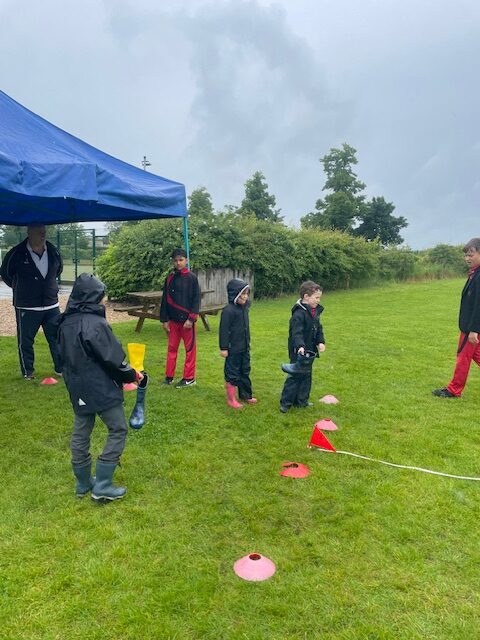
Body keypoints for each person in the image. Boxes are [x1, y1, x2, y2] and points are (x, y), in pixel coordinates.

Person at [57, 273, 143, 501]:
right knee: (118, 428)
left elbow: (60, 358)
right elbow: (113, 359)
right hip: (100, 387)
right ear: (92, 297)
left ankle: (83, 483)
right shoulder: (95, 324)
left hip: (77, 387)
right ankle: (102, 484)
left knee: (82, 429)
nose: (104, 299)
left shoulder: (64, 322)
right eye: (101, 295)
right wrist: (131, 374)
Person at [0, 224, 63, 379]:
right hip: (26, 306)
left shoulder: (53, 250)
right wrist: (21, 288)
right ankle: (28, 372)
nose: (42, 236)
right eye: (39, 233)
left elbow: (58, 269)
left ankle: (61, 369)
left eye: (44, 232)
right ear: (29, 233)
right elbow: (6, 274)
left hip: (51, 304)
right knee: (26, 341)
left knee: (57, 338)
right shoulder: (16, 253)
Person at [432, 238, 480, 399]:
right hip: (471, 326)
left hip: (471, 328)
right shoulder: (475, 273)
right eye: (466, 255)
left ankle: (454, 389)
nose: (467, 258)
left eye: (471, 255)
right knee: (475, 355)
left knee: (463, 358)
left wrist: (474, 330)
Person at [279, 281, 326, 413]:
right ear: (306, 297)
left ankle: (301, 401)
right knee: (294, 376)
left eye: (319, 297)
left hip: (310, 350)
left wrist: (320, 341)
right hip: (298, 351)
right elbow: (296, 332)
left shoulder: (314, 312)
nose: (318, 300)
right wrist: (300, 346)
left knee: (307, 375)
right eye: (316, 297)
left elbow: (318, 328)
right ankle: (286, 403)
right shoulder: (298, 314)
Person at [159, 248, 201, 388]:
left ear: (186, 260)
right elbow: (165, 299)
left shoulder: (192, 278)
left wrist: (191, 318)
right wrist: (164, 320)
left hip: (187, 322)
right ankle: (169, 376)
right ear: (173, 261)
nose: (178, 263)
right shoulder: (169, 278)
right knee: (172, 348)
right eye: (175, 260)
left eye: (181, 260)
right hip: (173, 321)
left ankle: (189, 378)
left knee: (189, 350)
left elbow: (196, 300)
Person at [219, 278, 257, 409]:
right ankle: (231, 399)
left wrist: (247, 342)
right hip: (232, 349)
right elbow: (223, 330)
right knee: (232, 373)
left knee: (244, 370)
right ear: (234, 294)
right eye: (242, 294)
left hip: (244, 347)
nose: (245, 297)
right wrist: (224, 348)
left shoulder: (244, 308)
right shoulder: (228, 311)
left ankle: (245, 395)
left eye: (247, 294)